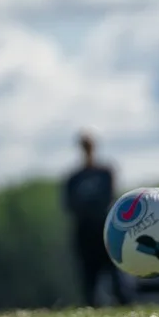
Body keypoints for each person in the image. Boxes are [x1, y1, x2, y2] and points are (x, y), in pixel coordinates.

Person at [62, 131, 134, 307]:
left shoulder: (105, 172)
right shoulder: (73, 178)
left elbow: (110, 198)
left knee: (115, 272)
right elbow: (69, 205)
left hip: (104, 229)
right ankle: (92, 306)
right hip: (84, 232)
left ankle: (125, 304)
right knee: (88, 276)